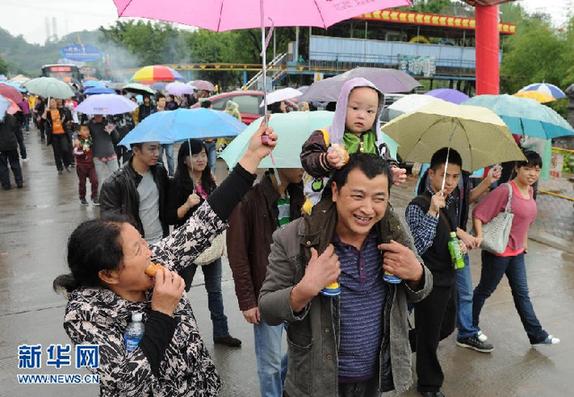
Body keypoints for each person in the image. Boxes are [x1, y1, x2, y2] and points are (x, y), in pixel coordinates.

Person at [54, 123, 278, 396]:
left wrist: (252, 156)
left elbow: (204, 222)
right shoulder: (85, 315)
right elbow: (125, 384)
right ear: (109, 274)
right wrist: (161, 313)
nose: (150, 251)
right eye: (137, 250)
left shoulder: (159, 259)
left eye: (143, 242)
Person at [259, 153, 432, 397]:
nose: (367, 209)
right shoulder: (294, 238)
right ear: (336, 191)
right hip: (314, 385)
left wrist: (417, 273)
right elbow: (267, 309)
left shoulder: (393, 232)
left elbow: (424, 287)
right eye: (358, 196)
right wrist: (305, 289)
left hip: (375, 383)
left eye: (379, 198)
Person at [406, 148, 480, 397]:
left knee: (447, 326)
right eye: (445, 175)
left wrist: (460, 240)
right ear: (431, 174)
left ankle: (398, 344)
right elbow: (418, 245)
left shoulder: (447, 201)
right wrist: (432, 211)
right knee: (429, 334)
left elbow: (447, 233)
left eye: (455, 177)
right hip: (428, 280)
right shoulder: (419, 205)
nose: (449, 182)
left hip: (448, 277)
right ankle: (429, 384)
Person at [227, 167, 305, 397]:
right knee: (269, 365)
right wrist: (247, 300)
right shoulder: (248, 200)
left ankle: (280, 389)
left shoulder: (301, 197)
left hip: (299, 291)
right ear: (279, 161)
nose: (303, 168)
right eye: (297, 162)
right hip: (267, 293)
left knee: (302, 353)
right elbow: (238, 254)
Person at [472, 150, 560, 346]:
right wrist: (479, 235)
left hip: (517, 253)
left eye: (537, 170)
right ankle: (470, 326)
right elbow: (479, 213)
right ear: (517, 168)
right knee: (485, 290)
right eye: (527, 168)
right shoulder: (506, 190)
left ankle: (537, 335)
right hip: (499, 253)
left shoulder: (530, 191)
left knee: (522, 294)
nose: (532, 174)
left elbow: (525, 222)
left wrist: (524, 242)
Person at [416, 164, 501, 353]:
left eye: (455, 177)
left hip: (455, 246)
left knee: (462, 294)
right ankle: (403, 338)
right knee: (420, 294)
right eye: (449, 176)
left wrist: (488, 181)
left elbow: (466, 200)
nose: (451, 181)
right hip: (438, 250)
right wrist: (462, 234)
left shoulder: (462, 177)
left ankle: (465, 332)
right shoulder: (436, 177)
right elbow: (432, 214)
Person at [167, 139, 242, 347]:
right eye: (195, 155)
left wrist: (217, 190)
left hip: (211, 244)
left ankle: (221, 332)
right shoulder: (177, 184)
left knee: (215, 290)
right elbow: (170, 217)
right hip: (187, 246)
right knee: (180, 291)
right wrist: (187, 204)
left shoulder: (209, 180)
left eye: (202, 155)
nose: (201, 159)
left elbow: (221, 210)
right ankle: (173, 334)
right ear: (184, 159)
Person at [300, 78, 407, 212]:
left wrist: (392, 172)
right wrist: (326, 160)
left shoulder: (377, 142)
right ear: (342, 107)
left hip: (366, 204)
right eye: (355, 108)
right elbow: (307, 158)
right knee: (318, 226)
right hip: (329, 202)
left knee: (389, 224)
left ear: (377, 113)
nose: (361, 115)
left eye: (370, 111)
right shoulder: (325, 135)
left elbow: (386, 161)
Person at [100, 141, 170, 245]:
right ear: (136, 150)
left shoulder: (159, 171)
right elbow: (110, 223)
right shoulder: (115, 183)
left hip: (163, 240)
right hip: (136, 246)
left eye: (158, 148)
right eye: (152, 149)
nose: (157, 153)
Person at [89, 115, 119, 201]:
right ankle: (101, 199)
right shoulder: (90, 124)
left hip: (110, 153)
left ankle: (116, 198)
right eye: (96, 114)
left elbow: (116, 138)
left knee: (116, 177)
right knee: (100, 179)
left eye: (100, 114)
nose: (98, 116)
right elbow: (84, 136)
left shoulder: (108, 122)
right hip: (97, 155)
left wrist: (112, 130)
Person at [43, 98, 73, 175]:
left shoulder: (62, 110)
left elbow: (69, 119)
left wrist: (66, 121)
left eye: (54, 102)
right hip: (53, 135)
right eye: (51, 102)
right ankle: (59, 168)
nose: (53, 103)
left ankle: (67, 164)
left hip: (63, 133)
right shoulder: (48, 112)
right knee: (57, 152)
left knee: (65, 149)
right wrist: (45, 112)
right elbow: (42, 121)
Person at [73, 123, 98, 206]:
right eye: (84, 130)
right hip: (81, 166)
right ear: (79, 132)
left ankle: (94, 196)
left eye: (87, 130)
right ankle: (82, 197)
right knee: (82, 183)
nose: (86, 132)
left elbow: (90, 148)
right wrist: (83, 151)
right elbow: (75, 152)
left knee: (94, 181)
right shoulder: (77, 141)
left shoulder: (90, 139)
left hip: (91, 165)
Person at [0, 113, 23, 190]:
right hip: (12, 144)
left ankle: (6, 184)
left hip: (1, 146)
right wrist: (20, 142)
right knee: (15, 163)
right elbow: (17, 131)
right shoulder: (12, 118)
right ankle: (19, 181)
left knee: (2, 166)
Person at [156, 95, 175, 176]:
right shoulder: (154, 112)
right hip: (159, 138)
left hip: (168, 137)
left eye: (164, 100)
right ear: (157, 102)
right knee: (159, 157)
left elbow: (172, 123)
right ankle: (163, 173)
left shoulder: (168, 112)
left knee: (170, 156)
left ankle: (171, 175)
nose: (163, 102)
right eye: (161, 100)